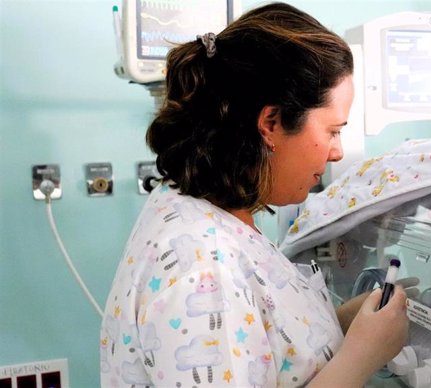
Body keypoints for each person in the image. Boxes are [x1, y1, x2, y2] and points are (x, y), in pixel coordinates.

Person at [100, 2, 409, 387]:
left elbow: (267, 341)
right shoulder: (202, 271)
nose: (337, 151)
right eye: (332, 130)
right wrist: (362, 357)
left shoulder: (209, 212)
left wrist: (349, 323)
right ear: (271, 123)